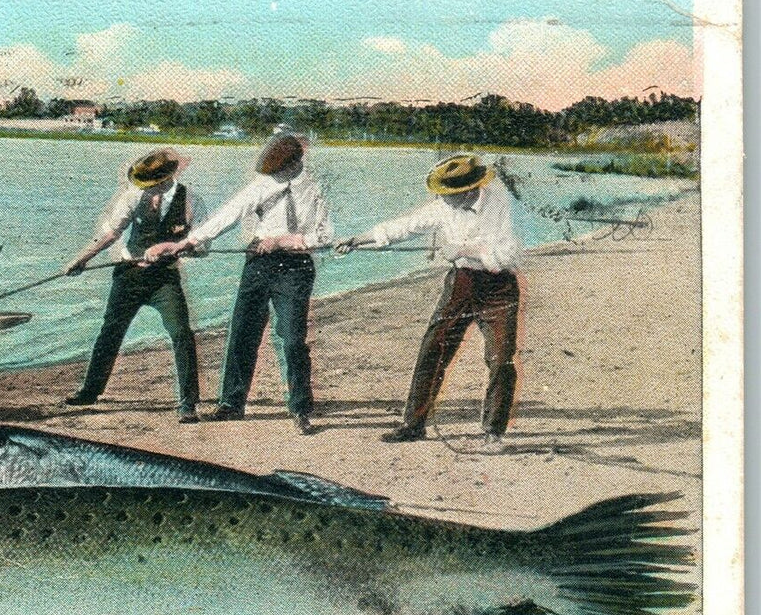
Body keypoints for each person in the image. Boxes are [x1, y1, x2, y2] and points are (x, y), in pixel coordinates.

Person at [144, 134, 331, 433]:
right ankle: (232, 402)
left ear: (296, 164)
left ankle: (300, 407)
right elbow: (226, 216)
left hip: (296, 268)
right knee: (243, 331)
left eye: (281, 171)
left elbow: (325, 237)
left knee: (293, 338)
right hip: (258, 263)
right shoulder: (261, 186)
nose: (275, 177)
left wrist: (284, 240)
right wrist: (185, 243)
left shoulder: (314, 189)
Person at [334, 153, 522, 444]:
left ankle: (493, 431)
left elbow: (509, 253)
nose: (444, 200)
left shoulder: (499, 203)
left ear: (469, 190)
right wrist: (357, 239)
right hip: (460, 283)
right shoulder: (443, 207)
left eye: (450, 195)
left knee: (500, 358)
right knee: (432, 349)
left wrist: (463, 249)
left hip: (499, 289)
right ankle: (413, 425)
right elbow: (405, 226)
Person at [62, 148, 206, 423]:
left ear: (169, 177)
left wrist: (172, 248)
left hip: (164, 279)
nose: (150, 190)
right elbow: (111, 233)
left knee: (181, 333)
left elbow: (203, 246)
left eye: (155, 184)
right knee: (110, 332)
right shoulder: (131, 197)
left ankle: (189, 403)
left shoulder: (191, 202)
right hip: (129, 276)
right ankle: (90, 392)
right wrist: (81, 259)